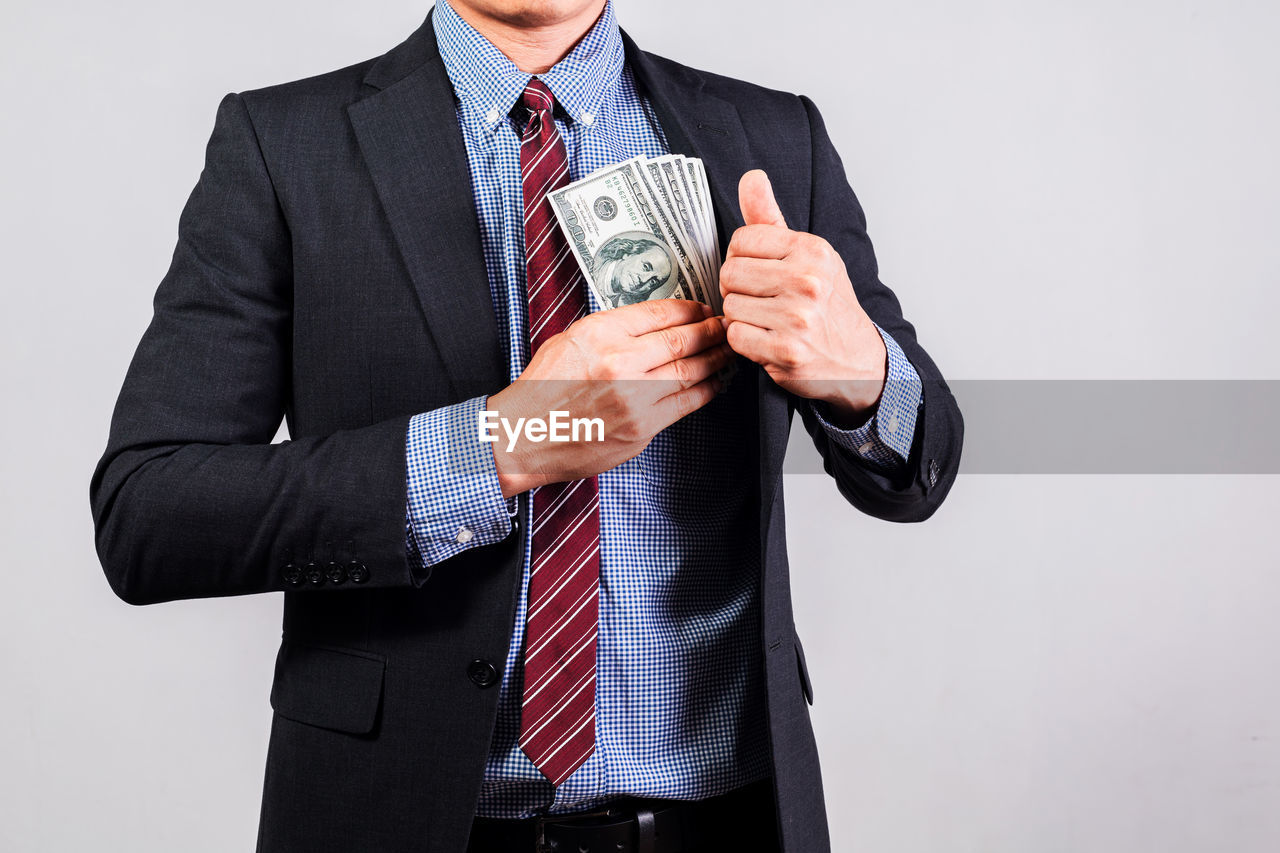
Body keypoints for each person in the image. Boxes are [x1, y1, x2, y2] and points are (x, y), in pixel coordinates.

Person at [88, 0, 964, 850]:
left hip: (725, 818)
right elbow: (148, 514)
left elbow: (922, 464)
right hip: (397, 816)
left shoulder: (774, 139)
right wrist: (498, 447)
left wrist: (863, 369)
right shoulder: (283, 145)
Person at [596, 235, 675, 306]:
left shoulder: (613, 308)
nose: (644, 280)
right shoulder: (594, 264)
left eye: (653, 282)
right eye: (646, 267)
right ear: (628, 254)